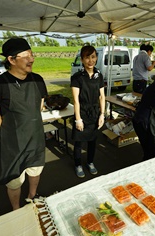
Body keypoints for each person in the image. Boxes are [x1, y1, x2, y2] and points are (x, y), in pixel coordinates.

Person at [0, 38, 48, 210]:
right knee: (14, 180)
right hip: (14, 143)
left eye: (32, 54)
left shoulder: (38, 80)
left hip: (35, 136)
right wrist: (11, 130)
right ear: (11, 60)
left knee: (35, 170)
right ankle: (16, 209)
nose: (31, 59)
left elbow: (39, 106)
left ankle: (32, 196)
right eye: (26, 56)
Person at [71, 45, 106, 178]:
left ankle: (90, 162)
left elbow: (102, 96)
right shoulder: (77, 77)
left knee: (92, 140)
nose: (90, 60)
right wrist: (78, 119)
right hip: (82, 112)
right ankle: (78, 164)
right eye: (87, 57)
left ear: (96, 58)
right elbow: (76, 100)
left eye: (93, 57)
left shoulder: (99, 76)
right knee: (79, 142)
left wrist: (102, 114)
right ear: (82, 59)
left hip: (95, 113)